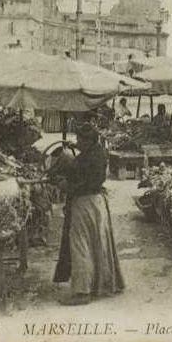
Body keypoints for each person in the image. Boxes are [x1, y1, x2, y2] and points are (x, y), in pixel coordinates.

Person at [52, 122, 124, 305]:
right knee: (97, 244)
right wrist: (74, 146)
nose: (78, 142)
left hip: (84, 203)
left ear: (88, 141)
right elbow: (87, 170)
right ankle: (103, 284)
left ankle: (82, 292)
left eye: (79, 140)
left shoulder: (86, 160)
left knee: (80, 245)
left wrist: (64, 185)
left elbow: (81, 182)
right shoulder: (98, 152)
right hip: (97, 202)